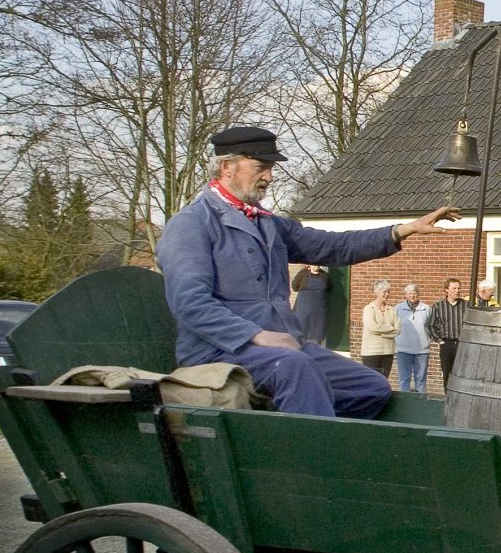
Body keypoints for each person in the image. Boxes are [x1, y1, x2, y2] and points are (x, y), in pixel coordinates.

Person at [154, 124, 456, 418]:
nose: (270, 176)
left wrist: (402, 230)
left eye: (271, 167)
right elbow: (190, 303)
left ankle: (284, 429)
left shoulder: (268, 223)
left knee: (371, 386)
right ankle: (316, 461)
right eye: (261, 166)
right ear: (227, 167)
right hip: (220, 351)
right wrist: (255, 335)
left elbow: (333, 247)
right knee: (294, 368)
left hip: (284, 349)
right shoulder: (191, 225)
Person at [427, 277, 467, 386]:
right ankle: (447, 398)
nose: (457, 291)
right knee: (447, 373)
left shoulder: (466, 305)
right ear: (446, 290)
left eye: (459, 288)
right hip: (446, 344)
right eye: (454, 288)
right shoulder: (438, 306)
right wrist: (440, 341)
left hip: (462, 344)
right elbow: (431, 326)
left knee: (462, 373)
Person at [392, 282, 431, 394]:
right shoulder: (398, 308)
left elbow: (430, 326)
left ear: (418, 294)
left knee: (421, 380)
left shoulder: (426, 309)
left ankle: (420, 404)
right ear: (405, 295)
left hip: (422, 350)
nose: (412, 296)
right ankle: (404, 402)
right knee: (404, 379)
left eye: (414, 293)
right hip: (403, 349)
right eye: (409, 293)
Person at [358, 280, 399, 377]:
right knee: (371, 381)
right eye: (384, 292)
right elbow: (373, 327)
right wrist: (390, 327)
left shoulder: (391, 310)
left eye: (388, 291)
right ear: (376, 292)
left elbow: (398, 329)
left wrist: (382, 333)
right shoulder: (368, 309)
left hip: (388, 351)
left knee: (384, 380)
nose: (387, 294)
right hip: (371, 352)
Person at [289, 266, 330, 349]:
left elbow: (329, 289)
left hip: (319, 313)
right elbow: (294, 286)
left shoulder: (325, 276)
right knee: (300, 334)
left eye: (318, 264)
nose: (316, 266)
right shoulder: (303, 274)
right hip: (302, 311)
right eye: (314, 264)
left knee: (317, 336)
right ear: (310, 265)